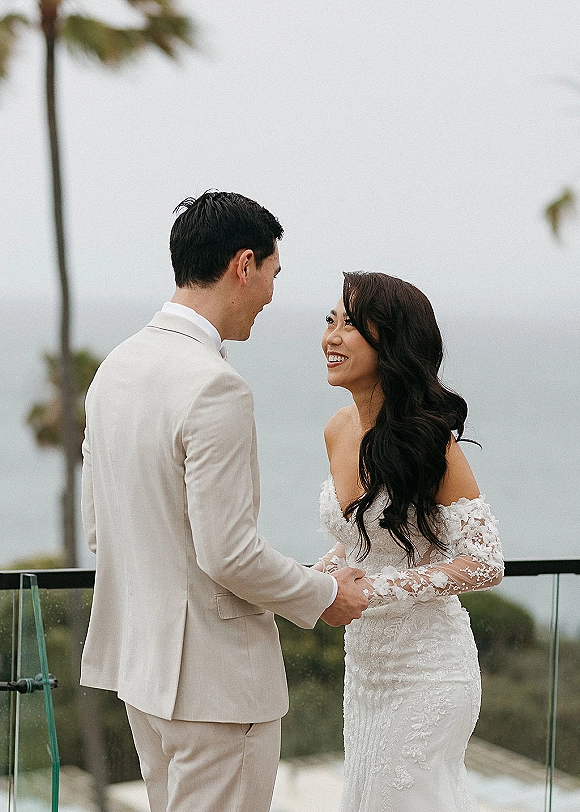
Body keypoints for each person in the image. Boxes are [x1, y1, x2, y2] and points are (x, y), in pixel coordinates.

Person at [79, 191, 369, 812]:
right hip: (217, 685)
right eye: (273, 274)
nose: (271, 294)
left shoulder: (115, 369)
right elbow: (229, 553)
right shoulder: (216, 385)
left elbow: (100, 530)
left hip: (142, 674)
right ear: (244, 265)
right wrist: (324, 596)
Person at [315, 271, 504, 812]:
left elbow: (485, 562)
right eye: (331, 320)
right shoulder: (336, 428)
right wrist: (307, 580)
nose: (331, 336)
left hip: (430, 670)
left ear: (389, 342)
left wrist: (374, 593)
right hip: (366, 668)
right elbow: (361, 541)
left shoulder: (430, 439)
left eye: (349, 325)